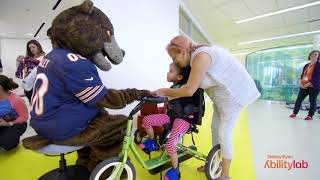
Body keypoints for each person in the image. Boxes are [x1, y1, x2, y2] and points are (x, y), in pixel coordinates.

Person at [154, 35, 260, 180]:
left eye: (174, 58)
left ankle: (225, 174)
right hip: (221, 98)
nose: (175, 62)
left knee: (224, 133)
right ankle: (214, 163)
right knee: (215, 128)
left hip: (234, 96)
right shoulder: (194, 56)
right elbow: (184, 89)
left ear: (182, 52)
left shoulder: (201, 56)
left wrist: (164, 91)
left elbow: (188, 90)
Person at [139, 63, 191, 179]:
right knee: (146, 120)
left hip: (182, 120)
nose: (168, 73)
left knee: (170, 144)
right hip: (171, 117)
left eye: (171, 71)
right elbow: (166, 96)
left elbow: (169, 96)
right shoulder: (173, 87)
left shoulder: (183, 88)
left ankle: (176, 170)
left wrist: (159, 94)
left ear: (179, 77)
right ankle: (153, 142)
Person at [0, 75, 29, 151]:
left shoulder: (16, 100)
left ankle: (11, 138)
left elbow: (24, 117)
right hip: (2, 122)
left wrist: (9, 124)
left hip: (16, 123)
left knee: (7, 144)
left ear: (1, 88)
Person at [289, 50, 320, 120]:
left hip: (313, 86)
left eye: (315, 54)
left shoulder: (318, 65)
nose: (313, 55)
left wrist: (308, 84)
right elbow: (303, 75)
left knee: (312, 100)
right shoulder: (306, 65)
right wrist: (301, 83)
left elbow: (317, 77)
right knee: (299, 99)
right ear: (310, 55)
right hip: (304, 86)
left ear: (318, 57)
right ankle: (294, 113)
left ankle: (310, 115)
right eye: (312, 54)